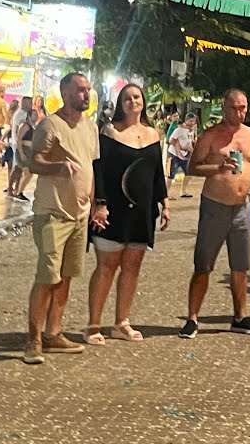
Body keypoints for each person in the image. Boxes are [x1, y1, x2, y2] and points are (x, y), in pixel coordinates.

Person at [22, 73, 100, 364]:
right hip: (53, 213)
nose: (86, 95)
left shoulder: (90, 127)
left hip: (79, 213)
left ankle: (54, 333)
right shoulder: (50, 125)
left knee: (66, 277)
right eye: (80, 90)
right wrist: (57, 167)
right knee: (47, 277)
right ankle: (34, 339)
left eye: (88, 90)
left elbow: (91, 168)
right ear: (65, 93)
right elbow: (33, 162)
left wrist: (96, 205)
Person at [85, 84, 170, 346]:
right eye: (126, 98)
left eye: (136, 97)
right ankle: (93, 324)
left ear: (143, 102)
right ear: (120, 103)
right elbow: (98, 170)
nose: (132, 102)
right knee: (107, 266)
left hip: (142, 210)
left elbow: (157, 174)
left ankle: (122, 322)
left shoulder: (153, 135)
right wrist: (99, 203)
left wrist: (165, 204)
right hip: (112, 208)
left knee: (132, 267)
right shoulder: (109, 133)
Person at [181, 90, 250, 339]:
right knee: (203, 264)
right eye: (234, 108)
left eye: (243, 108)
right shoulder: (211, 135)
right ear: (224, 107)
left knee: (240, 266)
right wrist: (218, 167)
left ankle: (240, 316)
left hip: (242, 207)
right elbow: (193, 167)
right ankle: (192, 318)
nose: (239, 113)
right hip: (215, 204)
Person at [6, 96, 34, 200]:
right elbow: (17, 130)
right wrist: (20, 143)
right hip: (18, 144)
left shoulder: (27, 114)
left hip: (24, 144)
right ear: (23, 103)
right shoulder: (19, 115)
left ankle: (17, 188)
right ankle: (10, 189)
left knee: (20, 168)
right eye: (28, 103)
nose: (30, 105)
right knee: (18, 166)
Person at [10, 108, 40, 202]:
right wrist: (22, 153)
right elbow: (19, 140)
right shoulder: (25, 126)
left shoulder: (34, 126)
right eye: (34, 115)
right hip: (24, 151)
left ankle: (18, 191)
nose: (36, 117)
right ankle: (19, 192)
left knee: (28, 173)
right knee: (27, 173)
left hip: (30, 152)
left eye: (37, 115)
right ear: (29, 116)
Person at [167, 115, 197, 198]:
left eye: (193, 121)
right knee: (171, 175)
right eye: (190, 121)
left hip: (185, 154)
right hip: (174, 154)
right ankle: (166, 194)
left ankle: (183, 191)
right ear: (186, 120)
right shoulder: (179, 129)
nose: (192, 123)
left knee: (188, 173)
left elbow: (189, 142)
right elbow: (171, 140)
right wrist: (182, 148)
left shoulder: (191, 131)